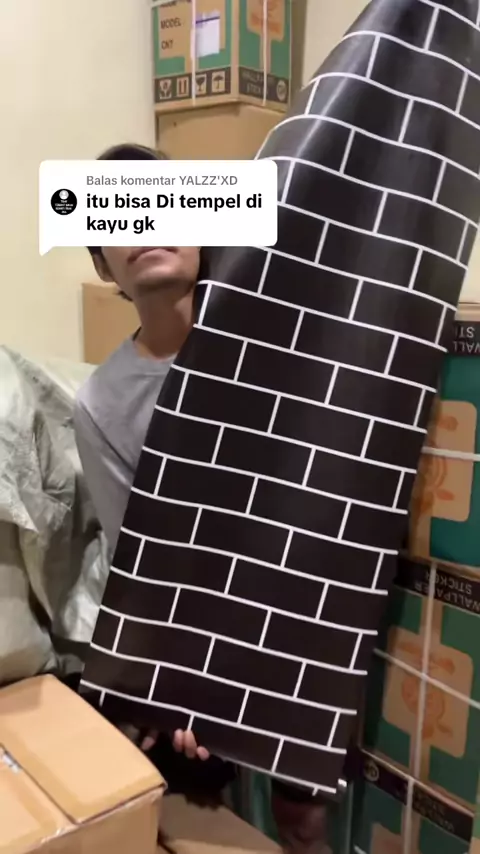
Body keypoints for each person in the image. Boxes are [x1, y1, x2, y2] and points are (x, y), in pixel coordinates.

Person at [74, 142, 332, 854]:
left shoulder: (280, 346)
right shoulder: (101, 402)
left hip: (301, 614)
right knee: (173, 772)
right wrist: (187, 682)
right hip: (202, 634)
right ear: (105, 265)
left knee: (305, 821)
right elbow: (143, 565)